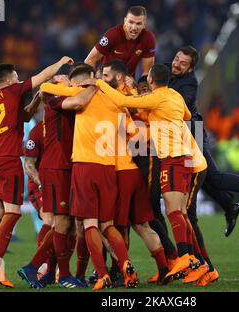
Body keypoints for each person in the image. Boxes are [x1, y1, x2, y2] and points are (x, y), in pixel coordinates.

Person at [0, 56, 74, 289]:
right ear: (9, 80)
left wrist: (34, 102)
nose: (19, 79)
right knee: (13, 213)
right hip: (8, 159)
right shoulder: (13, 90)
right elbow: (43, 77)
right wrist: (61, 62)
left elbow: (21, 117)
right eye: (16, 76)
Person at [93, 64, 202, 282]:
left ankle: (181, 258)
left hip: (166, 159)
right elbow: (187, 115)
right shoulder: (174, 96)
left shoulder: (155, 98)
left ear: (151, 80)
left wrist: (97, 82)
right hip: (181, 158)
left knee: (165, 214)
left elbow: (124, 102)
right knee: (167, 216)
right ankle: (191, 262)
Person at [40, 63, 140, 291]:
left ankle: (103, 274)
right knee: (108, 224)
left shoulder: (80, 92)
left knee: (89, 224)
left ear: (81, 82)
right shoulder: (116, 100)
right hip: (109, 169)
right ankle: (125, 265)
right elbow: (135, 135)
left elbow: (48, 89)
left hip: (85, 166)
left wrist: (63, 82)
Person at [168, 46, 239, 237]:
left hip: (194, 135)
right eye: (177, 59)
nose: (176, 64)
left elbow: (176, 108)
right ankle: (230, 206)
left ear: (191, 68)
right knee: (207, 180)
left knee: (213, 178)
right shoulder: (172, 76)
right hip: (184, 136)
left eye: (183, 63)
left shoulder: (189, 84)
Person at [18, 74, 98, 289]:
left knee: (70, 226)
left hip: (67, 168)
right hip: (56, 170)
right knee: (60, 222)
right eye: (63, 80)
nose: (68, 82)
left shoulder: (61, 105)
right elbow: (80, 99)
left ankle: (40, 270)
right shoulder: (55, 102)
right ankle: (60, 274)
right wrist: (95, 84)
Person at [101, 59, 171, 285]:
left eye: (105, 76)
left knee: (117, 226)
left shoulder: (117, 99)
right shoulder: (133, 97)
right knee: (142, 225)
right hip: (135, 169)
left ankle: (121, 271)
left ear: (118, 77)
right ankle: (164, 268)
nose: (102, 80)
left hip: (121, 170)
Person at [84, 6, 156, 77]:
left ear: (144, 24)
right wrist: (94, 83)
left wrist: (139, 84)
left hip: (128, 84)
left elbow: (147, 72)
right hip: (105, 83)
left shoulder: (148, 38)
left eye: (138, 24)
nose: (134, 28)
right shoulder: (113, 35)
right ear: (125, 21)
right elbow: (89, 60)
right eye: (131, 22)